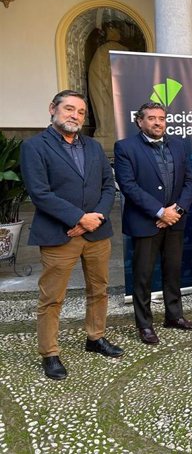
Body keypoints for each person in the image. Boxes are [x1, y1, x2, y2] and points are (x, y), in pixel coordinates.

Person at [20, 90, 123, 380]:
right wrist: (79, 218)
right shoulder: (34, 147)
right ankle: (50, 353)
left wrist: (94, 219)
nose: (74, 115)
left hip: (96, 233)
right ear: (52, 109)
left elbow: (107, 185)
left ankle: (95, 338)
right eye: (68, 109)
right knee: (52, 298)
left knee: (99, 289)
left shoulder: (92, 146)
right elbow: (39, 193)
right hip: (59, 234)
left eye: (80, 111)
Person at [114, 102, 192, 346]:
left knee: (173, 272)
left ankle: (174, 316)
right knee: (143, 276)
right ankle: (145, 325)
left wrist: (177, 211)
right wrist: (160, 212)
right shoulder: (125, 147)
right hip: (145, 223)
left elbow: (190, 182)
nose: (158, 122)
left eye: (161, 118)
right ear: (140, 121)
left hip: (175, 221)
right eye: (151, 118)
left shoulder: (179, 146)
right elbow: (128, 186)